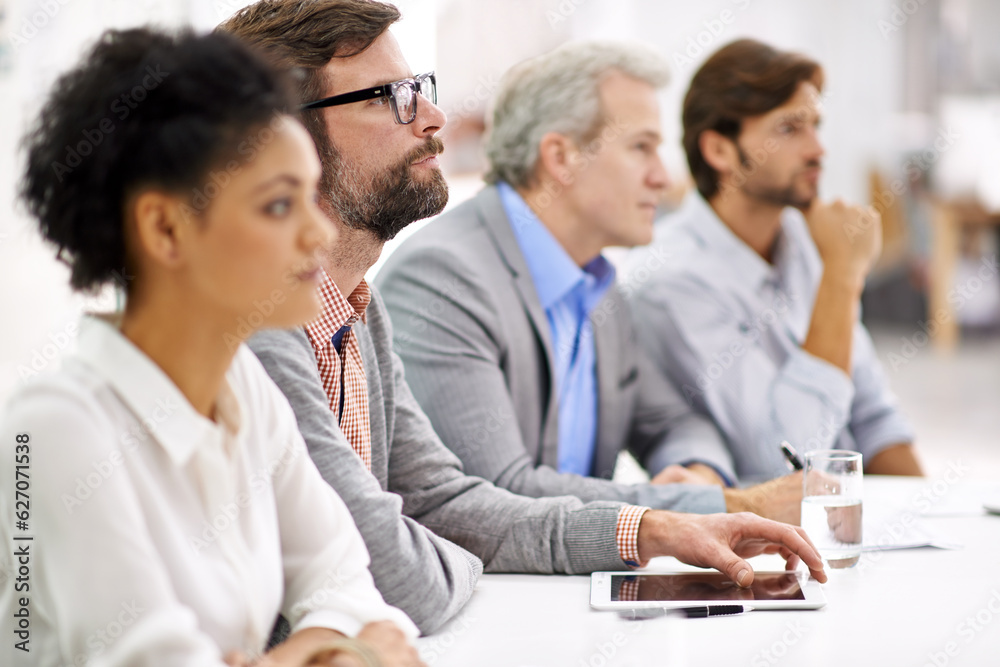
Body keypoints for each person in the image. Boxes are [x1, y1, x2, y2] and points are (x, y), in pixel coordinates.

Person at [220, 0, 827, 638]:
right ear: (284, 139)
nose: (433, 116)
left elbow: (446, 503)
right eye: (388, 98)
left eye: (419, 90)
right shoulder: (265, 319)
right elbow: (404, 571)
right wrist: (456, 555)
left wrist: (660, 527)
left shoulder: (359, 314)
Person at [1, 27, 422, 667]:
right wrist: (342, 653)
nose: (318, 229)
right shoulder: (54, 428)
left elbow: (353, 589)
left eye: (311, 195)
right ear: (165, 228)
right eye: (280, 205)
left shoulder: (243, 389)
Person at [376, 41, 806, 513]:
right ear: (561, 158)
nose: (663, 178)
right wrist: (717, 506)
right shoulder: (442, 279)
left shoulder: (598, 284)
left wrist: (696, 469)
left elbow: (673, 421)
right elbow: (496, 494)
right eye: (642, 147)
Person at [623, 39, 923, 483]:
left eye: (816, 125)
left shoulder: (805, 240)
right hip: (770, 541)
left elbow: (876, 421)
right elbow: (788, 457)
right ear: (719, 151)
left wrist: (939, 519)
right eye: (789, 129)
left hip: (849, 519)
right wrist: (842, 274)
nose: (817, 149)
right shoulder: (670, 282)